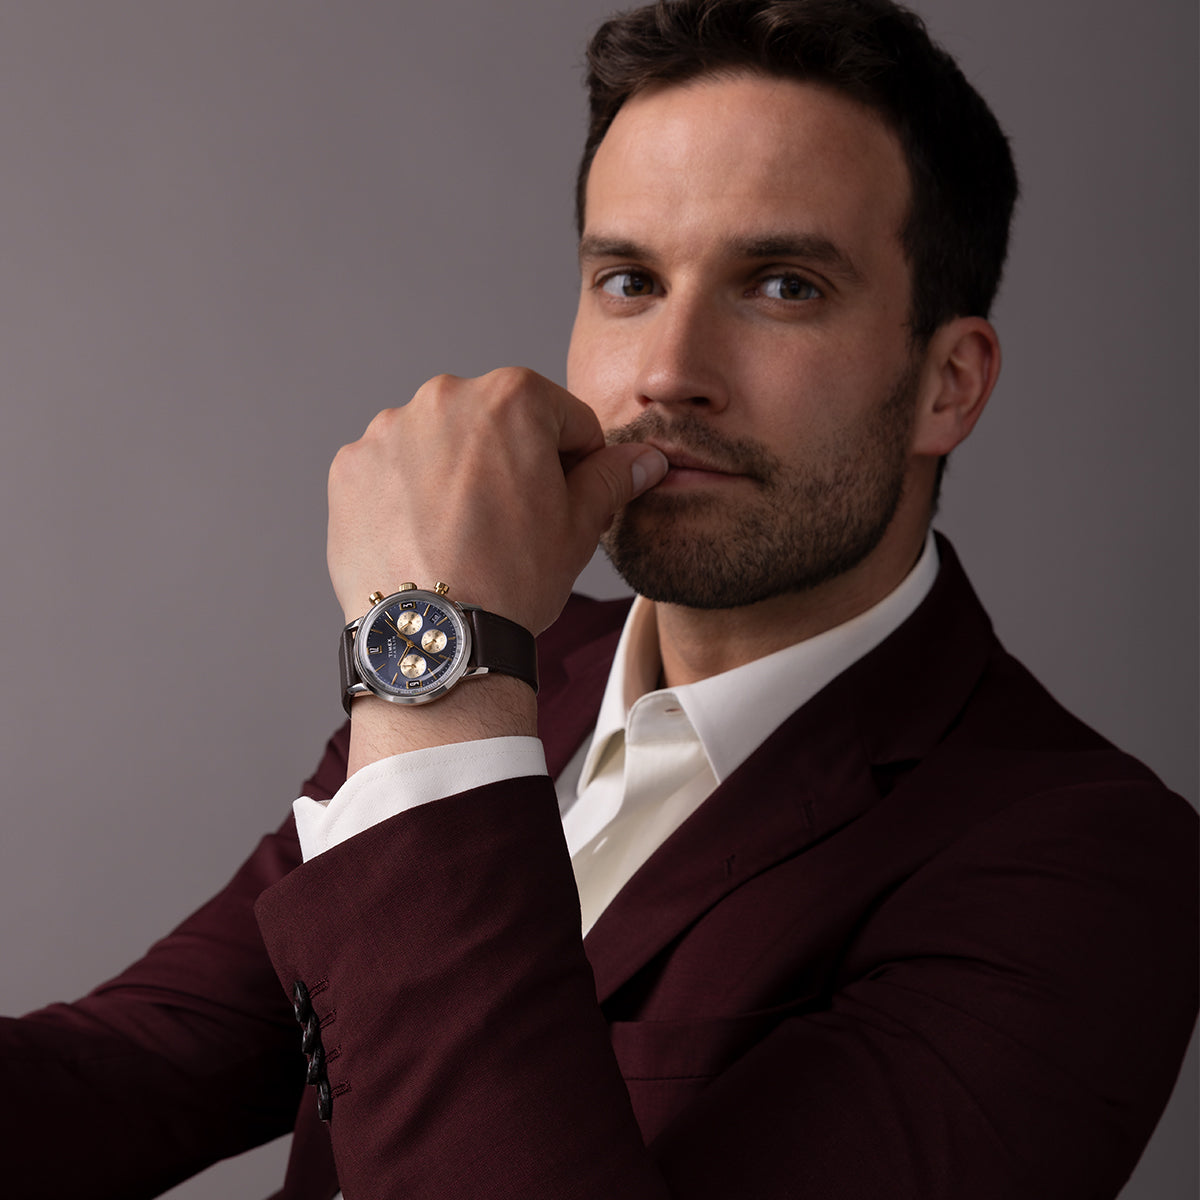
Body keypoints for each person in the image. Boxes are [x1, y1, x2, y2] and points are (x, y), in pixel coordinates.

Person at [5, 1, 1195, 1197]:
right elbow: (129, 1070)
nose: (670, 371)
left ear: (949, 383)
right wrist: (461, 676)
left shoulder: (1089, 867)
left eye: (782, 285)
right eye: (629, 279)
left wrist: (440, 680)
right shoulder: (531, 666)